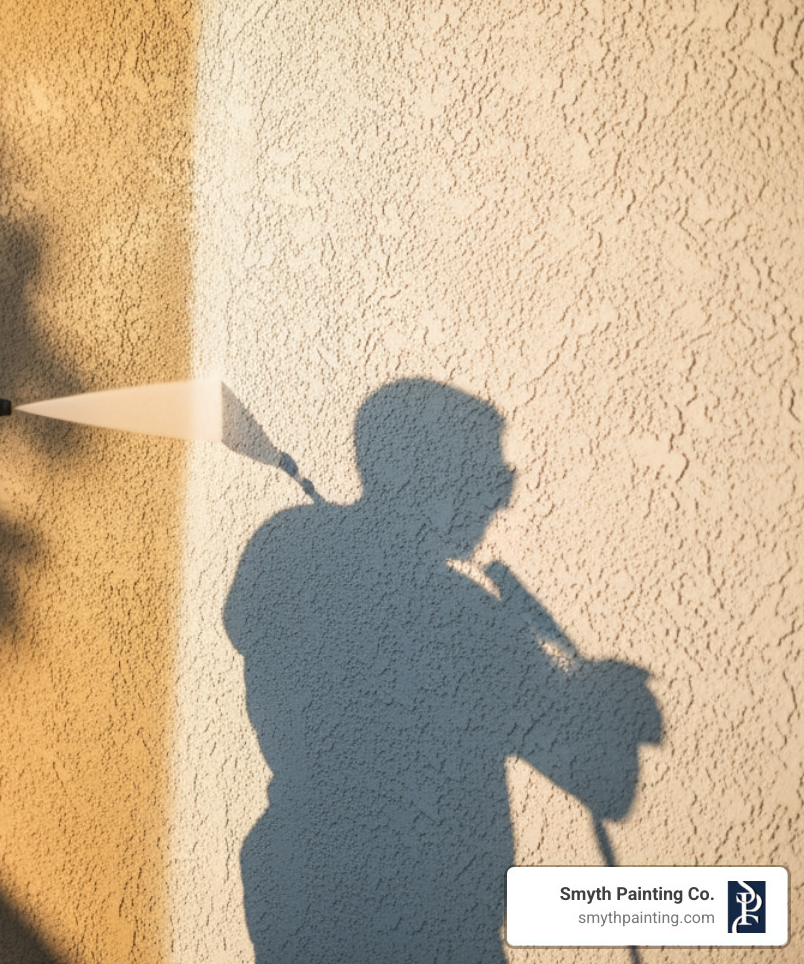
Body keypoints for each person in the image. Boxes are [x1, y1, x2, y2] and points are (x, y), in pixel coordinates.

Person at [224, 379, 659, 963]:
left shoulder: (285, 547)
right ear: (420, 475)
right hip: (424, 928)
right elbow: (607, 784)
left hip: (299, 894)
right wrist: (601, 689)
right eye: (489, 477)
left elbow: (247, 620)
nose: (500, 500)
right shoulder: (464, 618)